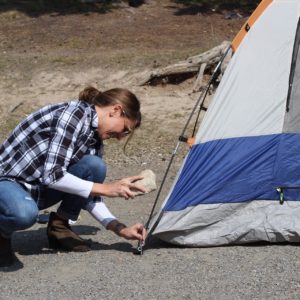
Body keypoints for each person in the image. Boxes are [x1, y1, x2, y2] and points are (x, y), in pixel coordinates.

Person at [0, 86, 147, 267]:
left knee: (94, 166)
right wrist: (108, 188)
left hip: (37, 187)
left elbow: (87, 194)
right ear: (115, 110)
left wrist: (120, 229)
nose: (119, 138)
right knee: (23, 214)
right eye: (125, 129)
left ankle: (59, 228)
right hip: (7, 181)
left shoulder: (95, 138)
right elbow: (53, 176)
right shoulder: (72, 115)